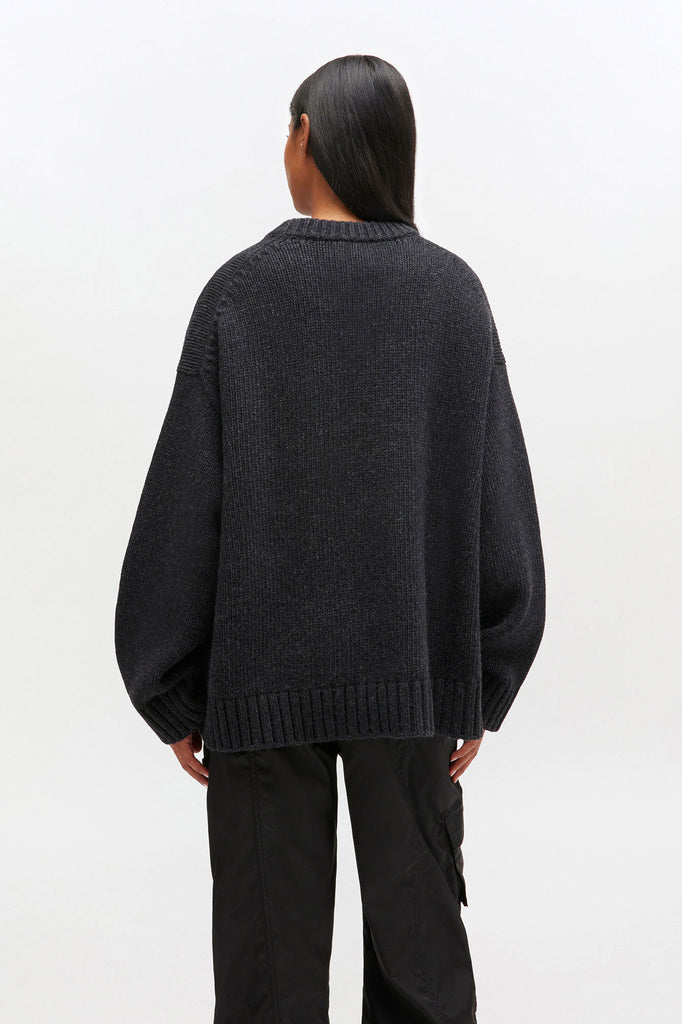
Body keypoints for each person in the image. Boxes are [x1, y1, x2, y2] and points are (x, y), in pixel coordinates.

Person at [114, 54, 546, 1024]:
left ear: (306, 136)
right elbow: (499, 500)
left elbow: (186, 500)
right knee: (423, 976)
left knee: (267, 985)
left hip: (260, 688)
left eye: (287, 127)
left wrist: (168, 682)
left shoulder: (240, 295)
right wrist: (485, 677)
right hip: (412, 679)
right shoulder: (451, 296)